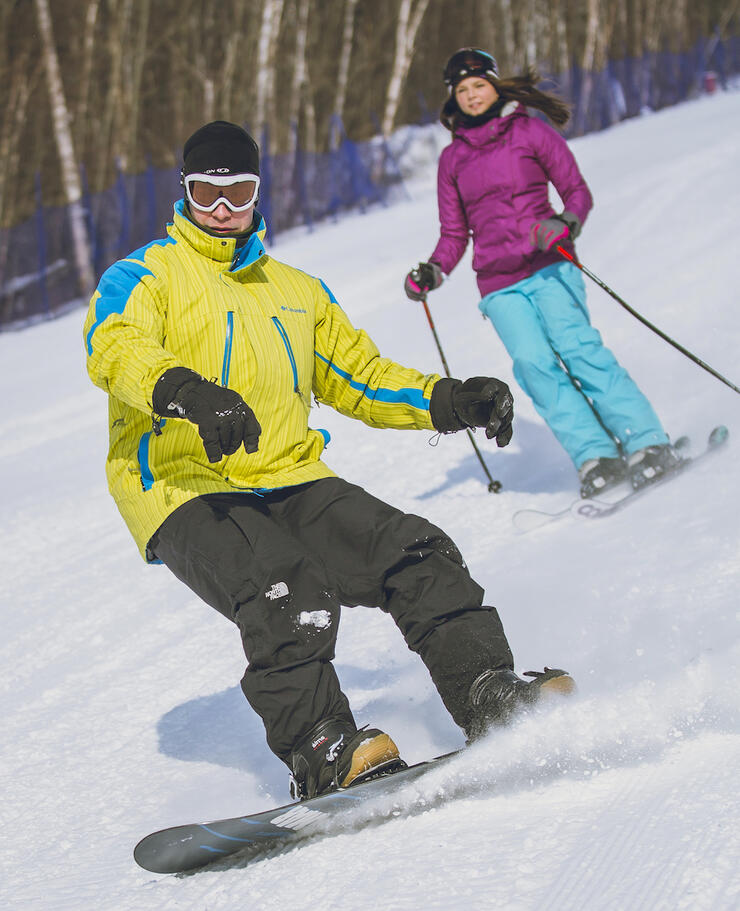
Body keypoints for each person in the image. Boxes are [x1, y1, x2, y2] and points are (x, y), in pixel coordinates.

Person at [84, 120, 573, 801]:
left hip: (287, 473)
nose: (223, 207)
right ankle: (322, 746)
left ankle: (486, 691)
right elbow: (113, 345)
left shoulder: (296, 289)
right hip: (181, 483)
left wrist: (449, 399)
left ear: (259, 192)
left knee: (416, 550)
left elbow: (359, 375)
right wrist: (184, 391)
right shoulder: (145, 274)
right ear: (185, 192)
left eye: (239, 190)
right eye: (207, 191)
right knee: (283, 584)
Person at [404, 49, 681, 499]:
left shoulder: (530, 130)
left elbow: (576, 191)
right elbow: (454, 232)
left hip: (550, 263)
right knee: (535, 367)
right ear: (453, 99)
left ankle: (646, 441)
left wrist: (565, 223)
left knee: (579, 349)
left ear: (494, 85)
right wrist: (434, 270)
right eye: (462, 90)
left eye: (479, 85)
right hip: (498, 283)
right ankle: (595, 455)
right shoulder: (452, 160)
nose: (473, 95)